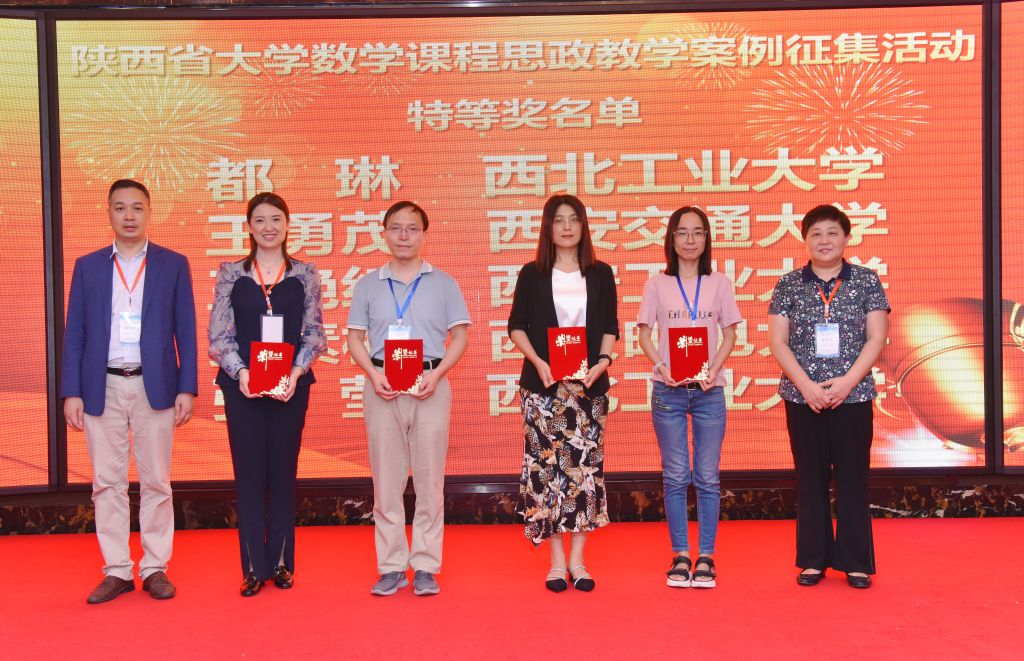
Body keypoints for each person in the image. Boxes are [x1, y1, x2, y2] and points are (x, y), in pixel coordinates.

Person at [62, 179, 197, 604]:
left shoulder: (173, 264)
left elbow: (185, 331)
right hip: (100, 384)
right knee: (107, 482)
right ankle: (117, 569)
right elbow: (75, 333)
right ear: (109, 213)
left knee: (156, 480)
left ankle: (155, 567)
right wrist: (71, 391)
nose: (129, 216)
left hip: (155, 385)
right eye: (120, 208)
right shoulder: (88, 266)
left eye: (137, 207)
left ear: (149, 212)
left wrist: (187, 386)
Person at [346, 201, 470, 597]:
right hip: (382, 384)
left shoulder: (444, 283)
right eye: (396, 228)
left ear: (423, 235)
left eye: (412, 228)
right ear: (384, 233)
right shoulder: (368, 284)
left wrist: (437, 374)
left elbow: (461, 337)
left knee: (430, 481)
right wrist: (373, 375)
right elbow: (354, 339)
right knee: (386, 481)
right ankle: (391, 566)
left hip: (429, 384)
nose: (404, 236)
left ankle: (426, 565)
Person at [209, 192, 326, 597]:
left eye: (276, 219)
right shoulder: (231, 274)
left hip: (290, 387)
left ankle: (280, 563)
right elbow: (218, 336)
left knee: (282, 475)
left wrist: (296, 372)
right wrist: (240, 371)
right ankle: (252, 568)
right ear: (249, 227)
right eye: (259, 220)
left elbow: (315, 333)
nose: (268, 227)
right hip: (241, 387)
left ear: (288, 224)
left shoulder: (305, 274)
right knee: (249, 475)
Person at [767, 204, 889, 589]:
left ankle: (856, 562)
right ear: (804, 239)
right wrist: (805, 385)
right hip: (802, 397)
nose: (824, 241)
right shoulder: (789, 284)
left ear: (847, 238)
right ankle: (812, 560)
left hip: (853, 396)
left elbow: (876, 337)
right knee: (810, 479)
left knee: (853, 479)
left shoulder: (866, 281)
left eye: (832, 233)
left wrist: (848, 382)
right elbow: (778, 341)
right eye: (816, 233)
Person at [507, 194, 619, 593]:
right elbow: (516, 325)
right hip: (543, 388)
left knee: (584, 471)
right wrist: (539, 361)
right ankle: (556, 562)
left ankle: (578, 561)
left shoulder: (601, 273)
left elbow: (610, 326)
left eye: (574, 219)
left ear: (584, 226)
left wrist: (603, 361)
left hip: (588, 389)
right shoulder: (532, 273)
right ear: (548, 227)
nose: (567, 227)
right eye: (559, 220)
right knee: (546, 472)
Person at [637, 205, 741, 589]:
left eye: (697, 232)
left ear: (706, 238)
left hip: (709, 391)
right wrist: (660, 364)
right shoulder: (656, 284)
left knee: (708, 476)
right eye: (682, 232)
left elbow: (730, 333)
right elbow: (644, 333)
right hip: (668, 390)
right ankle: (681, 554)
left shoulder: (719, 282)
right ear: (671, 238)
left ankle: (706, 556)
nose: (690, 240)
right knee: (676, 475)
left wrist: (715, 366)